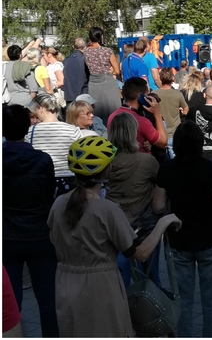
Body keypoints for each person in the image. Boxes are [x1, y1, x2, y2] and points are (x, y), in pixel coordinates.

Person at [48, 136, 181, 337]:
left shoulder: (58, 204)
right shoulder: (107, 209)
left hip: (65, 284)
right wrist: (163, 222)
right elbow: (141, 253)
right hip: (101, 286)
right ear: (106, 170)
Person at [153, 121, 212, 338]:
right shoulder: (211, 167)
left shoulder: (167, 168)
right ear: (199, 143)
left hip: (179, 240)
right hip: (210, 238)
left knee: (183, 302)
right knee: (211, 303)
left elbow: (158, 206)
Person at [3, 104, 59, 337]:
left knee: (10, 300)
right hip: (40, 235)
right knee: (47, 299)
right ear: (28, 126)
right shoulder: (43, 160)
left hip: (7, 236)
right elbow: (49, 195)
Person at [106, 112, 162, 288]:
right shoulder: (147, 161)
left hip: (116, 224)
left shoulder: (106, 161)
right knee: (151, 276)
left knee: (121, 277)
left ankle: (124, 310)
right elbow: (160, 183)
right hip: (144, 223)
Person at [25, 93, 82, 196]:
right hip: (69, 179)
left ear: (41, 108)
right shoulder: (73, 130)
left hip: (42, 179)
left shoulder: (30, 131)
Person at [107, 77, 167, 154]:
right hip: (141, 162)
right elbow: (163, 143)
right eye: (146, 94)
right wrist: (157, 114)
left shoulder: (112, 116)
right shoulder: (142, 121)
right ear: (140, 96)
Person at [83, 26, 121, 121]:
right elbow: (117, 70)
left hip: (93, 82)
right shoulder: (107, 51)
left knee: (97, 111)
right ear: (101, 37)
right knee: (113, 110)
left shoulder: (86, 51)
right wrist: (111, 71)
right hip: (107, 82)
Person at [154, 67, 189, 158]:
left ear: (161, 78)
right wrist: (181, 112)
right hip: (174, 133)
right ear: (173, 78)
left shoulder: (154, 94)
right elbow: (186, 110)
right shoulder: (178, 94)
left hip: (159, 134)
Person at [62, 38, 89, 105]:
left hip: (69, 95)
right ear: (85, 47)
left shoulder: (66, 60)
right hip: (83, 94)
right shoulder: (85, 59)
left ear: (73, 46)